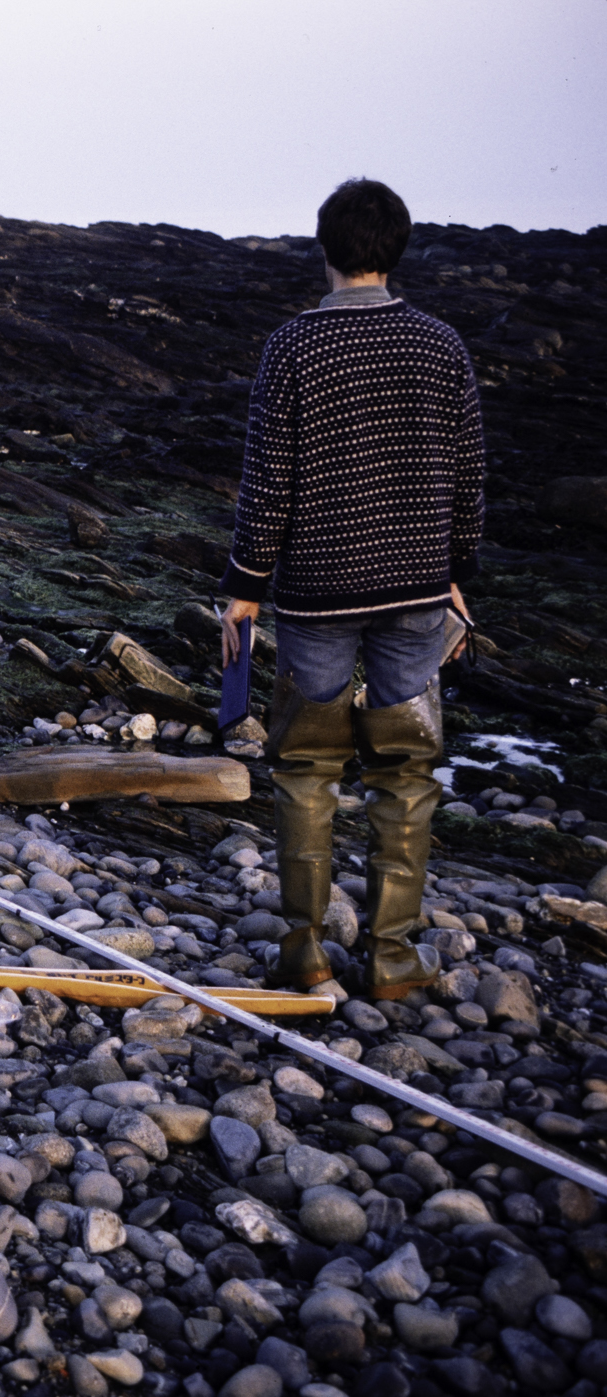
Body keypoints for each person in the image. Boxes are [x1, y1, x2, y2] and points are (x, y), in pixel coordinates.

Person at [218, 178, 485, 1001]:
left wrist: (243, 589)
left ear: (325, 248)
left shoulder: (294, 347)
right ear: (396, 250)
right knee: (406, 773)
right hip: (413, 590)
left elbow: (268, 485)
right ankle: (395, 960)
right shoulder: (442, 345)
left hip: (318, 592)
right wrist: (457, 578)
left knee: (306, 768)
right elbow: (470, 482)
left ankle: (304, 952)